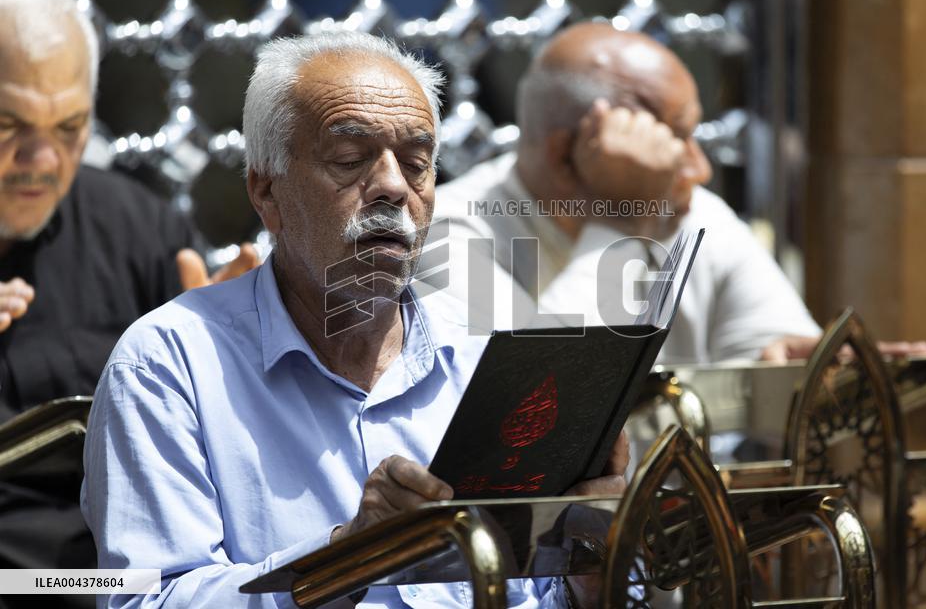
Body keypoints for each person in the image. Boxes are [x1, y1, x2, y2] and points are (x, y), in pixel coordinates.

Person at [82, 31, 627, 608]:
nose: (393, 186)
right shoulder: (168, 365)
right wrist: (348, 558)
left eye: (417, 164)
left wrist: (593, 572)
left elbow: (544, 594)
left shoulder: (489, 353)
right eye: (349, 160)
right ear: (266, 191)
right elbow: (145, 600)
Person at [0, 0, 256, 604]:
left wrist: (228, 345)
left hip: (116, 582)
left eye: (68, 129)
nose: (42, 163)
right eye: (8, 126)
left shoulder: (135, 226)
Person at [434, 22, 823, 363]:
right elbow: (537, 401)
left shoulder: (695, 214)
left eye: (692, 135)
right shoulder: (446, 235)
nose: (699, 170)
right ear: (565, 159)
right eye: (664, 145)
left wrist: (798, 376)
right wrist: (620, 223)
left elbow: (777, 357)